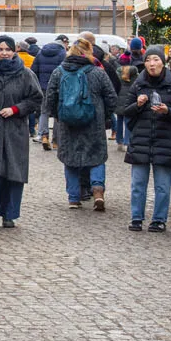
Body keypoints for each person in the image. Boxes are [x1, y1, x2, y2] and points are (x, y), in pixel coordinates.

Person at [0, 35, 43, 227]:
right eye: (1, 49)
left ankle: (10, 213)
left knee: (14, 172)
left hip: (15, 130)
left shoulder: (26, 74)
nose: (4, 53)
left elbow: (36, 99)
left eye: (8, 49)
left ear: (14, 51)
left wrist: (16, 109)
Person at [118, 45, 171, 232]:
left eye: (155, 59)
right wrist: (138, 104)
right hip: (141, 140)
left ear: (163, 62)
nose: (151, 64)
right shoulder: (138, 85)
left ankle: (159, 219)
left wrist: (167, 111)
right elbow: (126, 111)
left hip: (165, 140)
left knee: (163, 186)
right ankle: (136, 217)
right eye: (148, 60)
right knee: (138, 184)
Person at [45, 39, 117, 212]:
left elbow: (50, 98)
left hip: (68, 123)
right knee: (97, 157)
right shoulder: (97, 72)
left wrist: (59, 116)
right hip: (94, 122)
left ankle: (73, 198)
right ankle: (98, 192)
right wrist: (104, 116)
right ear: (89, 52)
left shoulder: (59, 72)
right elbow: (112, 98)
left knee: (70, 159)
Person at [30, 36, 67, 150]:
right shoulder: (62, 54)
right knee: (57, 113)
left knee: (44, 111)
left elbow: (33, 70)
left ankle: (44, 135)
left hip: (43, 86)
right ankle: (56, 141)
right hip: (58, 87)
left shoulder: (41, 53)